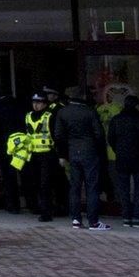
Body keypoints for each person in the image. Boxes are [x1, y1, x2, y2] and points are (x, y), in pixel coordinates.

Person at [51, 85, 108, 230]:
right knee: (91, 187)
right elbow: (99, 134)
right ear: (83, 96)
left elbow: (58, 135)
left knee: (75, 187)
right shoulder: (90, 112)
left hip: (72, 151)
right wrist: (100, 150)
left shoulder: (62, 112)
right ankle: (93, 221)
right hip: (89, 151)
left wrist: (62, 153)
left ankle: (76, 219)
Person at [108, 95, 139, 226]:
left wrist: (119, 150)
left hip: (122, 158)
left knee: (124, 188)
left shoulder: (116, 120)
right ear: (136, 105)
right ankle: (138, 216)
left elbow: (110, 138)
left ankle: (126, 216)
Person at [22, 90, 58, 221]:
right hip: (32, 156)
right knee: (36, 183)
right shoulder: (28, 116)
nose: (36, 105)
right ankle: (38, 207)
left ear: (45, 103)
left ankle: (46, 212)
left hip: (47, 155)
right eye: (34, 102)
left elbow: (56, 135)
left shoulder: (49, 116)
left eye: (39, 102)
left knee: (45, 184)